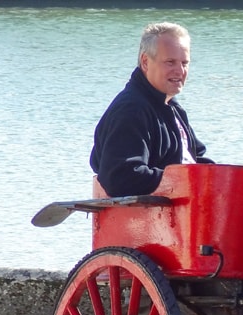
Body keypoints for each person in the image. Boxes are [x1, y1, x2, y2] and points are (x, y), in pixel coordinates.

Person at [90, 22, 212, 197]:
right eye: (170, 62)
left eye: (185, 63)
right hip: (154, 218)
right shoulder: (131, 109)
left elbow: (195, 159)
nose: (180, 70)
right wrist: (184, 180)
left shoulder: (172, 107)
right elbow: (120, 177)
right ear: (146, 61)